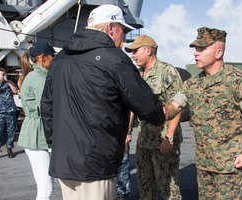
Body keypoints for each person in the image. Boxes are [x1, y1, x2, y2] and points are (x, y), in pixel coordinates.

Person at [40, 4, 165, 200]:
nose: (122, 37)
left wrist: (54, 144)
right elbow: (147, 106)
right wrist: (161, 115)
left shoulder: (61, 59)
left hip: (64, 161)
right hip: (96, 163)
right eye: (121, 30)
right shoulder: (114, 59)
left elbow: (47, 107)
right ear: (110, 28)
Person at [166, 27, 242, 199]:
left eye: (202, 49)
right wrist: (157, 111)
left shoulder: (239, 81)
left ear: (218, 52)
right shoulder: (191, 84)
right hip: (204, 165)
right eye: (195, 49)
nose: (196, 53)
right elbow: (174, 107)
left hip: (231, 166)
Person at [125, 35, 182, 199]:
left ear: (148, 50)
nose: (133, 55)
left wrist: (169, 137)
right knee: (145, 185)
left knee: (168, 188)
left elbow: (177, 106)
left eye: (136, 51)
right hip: (144, 141)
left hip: (163, 141)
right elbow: (132, 107)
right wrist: (128, 132)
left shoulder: (167, 72)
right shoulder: (139, 74)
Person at [18, 41, 56, 200]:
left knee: (46, 186)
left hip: (35, 133)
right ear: (44, 58)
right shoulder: (39, 78)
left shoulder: (35, 75)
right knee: (46, 188)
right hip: (37, 134)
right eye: (52, 57)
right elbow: (48, 108)